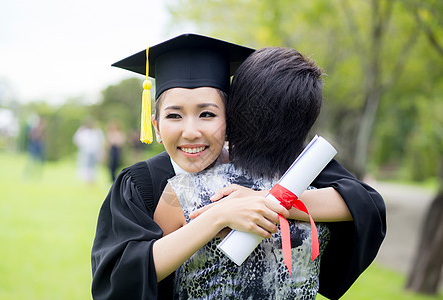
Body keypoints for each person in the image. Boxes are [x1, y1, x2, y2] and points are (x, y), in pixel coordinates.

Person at [91, 34, 386, 300]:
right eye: (174, 116)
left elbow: (363, 202)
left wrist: (270, 200)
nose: (191, 131)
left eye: (207, 114)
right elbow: (119, 279)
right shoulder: (140, 182)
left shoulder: (269, 159)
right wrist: (218, 215)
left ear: (230, 119)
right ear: (155, 125)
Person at [73, 118, 104, 183]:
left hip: (94, 151)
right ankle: (86, 179)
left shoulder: (97, 132)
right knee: (85, 165)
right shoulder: (82, 131)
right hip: (85, 151)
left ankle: (92, 179)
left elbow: (100, 142)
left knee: (93, 166)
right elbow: (76, 140)